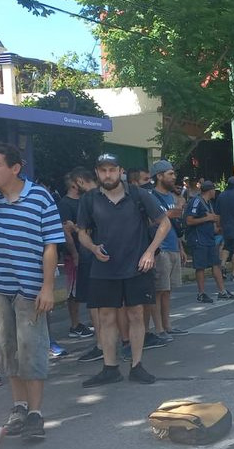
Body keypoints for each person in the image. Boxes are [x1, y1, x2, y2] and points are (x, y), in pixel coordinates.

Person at [0, 144, 64, 441]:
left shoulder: (40, 197)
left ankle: (35, 413)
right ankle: (19, 407)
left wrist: (47, 287)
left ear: (15, 168)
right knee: (6, 349)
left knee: (31, 351)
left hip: (29, 288)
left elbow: (51, 245)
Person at [76, 153, 169, 388]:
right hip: (104, 268)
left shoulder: (138, 195)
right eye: (103, 170)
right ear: (97, 173)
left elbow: (164, 222)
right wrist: (92, 248)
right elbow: (82, 232)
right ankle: (110, 367)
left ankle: (137, 365)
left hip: (136, 267)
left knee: (136, 315)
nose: (108, 174)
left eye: (112, 169)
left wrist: (150, 252)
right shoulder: (89, 199)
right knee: (106, 317)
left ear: (120, 171)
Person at [147, 160, 188, 341]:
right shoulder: (150, 197)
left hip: (173, 247)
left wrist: (181, 247)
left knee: (168, 290)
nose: (174, 177)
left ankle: (167, 325)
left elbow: (175, 225)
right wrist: (167, 215)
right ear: (159, 176)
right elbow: (148, 222)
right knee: (158, 291)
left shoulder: (172, 198)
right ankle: (158, 329)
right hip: (160, 249)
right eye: (170, 174)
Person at [58, 171, 95, 339]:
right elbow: (66, 231)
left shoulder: (84, 201)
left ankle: (93, 321)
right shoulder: (65, 204)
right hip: (74, 254)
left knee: (88, 287)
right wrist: (74, 253)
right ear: (74, 184)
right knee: (73, 291)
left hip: (88, 251)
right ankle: (75, 325)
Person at [186, 181, 234, 302]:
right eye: (214, 190)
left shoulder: (208, 203)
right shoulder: (196, 201)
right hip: (199, 239)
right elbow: (189, 221)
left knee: (216, 264)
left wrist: (217, 229)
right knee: (200, 267)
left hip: (209, 238)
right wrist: (206, 218)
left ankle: (222, 291)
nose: (215, 192)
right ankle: (201, 293)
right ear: (210, 190)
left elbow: (211, 220)